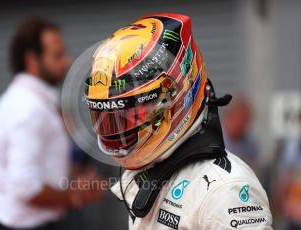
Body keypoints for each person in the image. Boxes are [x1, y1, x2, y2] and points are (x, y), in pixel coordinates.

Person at [83, 13, 272, 229]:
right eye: (109, 119)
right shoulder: (150, 171)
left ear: (175, 96)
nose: (118, 131)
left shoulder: (227, 188)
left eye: (131, 114)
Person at [0, 16, 102, 230]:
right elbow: (26, 187)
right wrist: (75, 196)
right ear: (32, 60)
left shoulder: (31, 101)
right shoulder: (28, 109)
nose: (67, 60)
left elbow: (46, 164)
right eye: (58, 54)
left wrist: (77, 179)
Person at [222, 95, 260, 172]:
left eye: (246, 120)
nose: (243, 124)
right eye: (241, 118)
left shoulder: (251, 147)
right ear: (228, 117)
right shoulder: (215, 142)